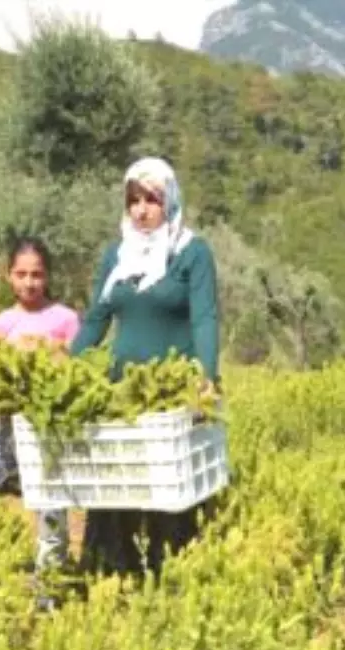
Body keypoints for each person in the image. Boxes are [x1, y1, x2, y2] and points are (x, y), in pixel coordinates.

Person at [69, 156, 222, 579]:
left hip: (172, 395)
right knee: (118, 486)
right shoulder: (118, 256)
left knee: (168, 493)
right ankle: (112, 578)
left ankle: (169, 580)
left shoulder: (191, 253)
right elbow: (97, 320)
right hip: (123, 394)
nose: (141, 209)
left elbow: (205, 318)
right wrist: (65, 369)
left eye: (151, 199)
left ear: (169, 200)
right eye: (133, 200)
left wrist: (205, 378)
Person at [0, 235, 80, 569]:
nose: (29, 282)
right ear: (9, 276)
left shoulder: (66, 319)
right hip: (2, 430)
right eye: (21, 274)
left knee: (51, 517)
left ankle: (49, 591)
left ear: (48, 276)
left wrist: (51, 357)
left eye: (37, 274)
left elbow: (78, 370)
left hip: (47, 433)